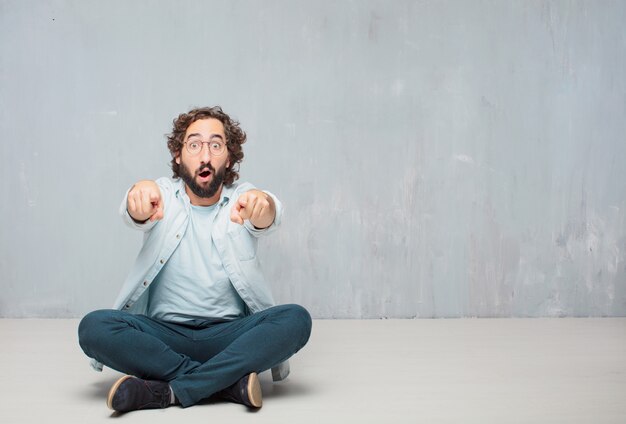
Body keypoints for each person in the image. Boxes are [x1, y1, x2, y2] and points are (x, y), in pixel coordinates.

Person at [78, 106, 312, 413]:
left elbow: (268, 213)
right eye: (194, 144)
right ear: (178, 155)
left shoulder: (242, 198)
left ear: (228, 158)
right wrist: (138, 198)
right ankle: (227, 384)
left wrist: (263, 205)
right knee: (93, 327)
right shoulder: (162, 194)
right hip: (162, 337)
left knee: (296, 320)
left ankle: (168, 391)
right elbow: (136, 209)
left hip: (229, 337)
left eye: (216, 145)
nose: (205, 155)